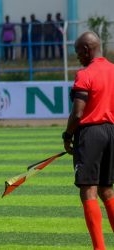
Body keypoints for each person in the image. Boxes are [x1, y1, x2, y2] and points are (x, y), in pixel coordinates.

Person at [62, 31, 114, 250]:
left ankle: (99, 248)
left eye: (78, 52)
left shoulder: (84, 74)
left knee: (88, 190)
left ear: (86, 50)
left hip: (91, 134)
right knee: (107, 190)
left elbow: (78, 113)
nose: (77, 57)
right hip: (112, 131)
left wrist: (67, 135)